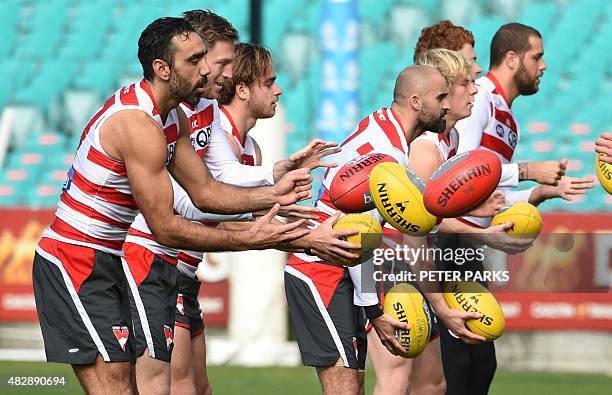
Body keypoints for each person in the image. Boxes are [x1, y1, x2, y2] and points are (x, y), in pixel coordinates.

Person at [32, 17, 315, 394]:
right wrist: (252, 238)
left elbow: (205, 191)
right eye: (194, 60)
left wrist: (274, 195)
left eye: (205, 58)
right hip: (74, 259)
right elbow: (166, 225)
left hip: (106, 259)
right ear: (162, 69)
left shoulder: (172, 116)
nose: (207, 70)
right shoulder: (138, 124)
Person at [285, 65, 490, 395]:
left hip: (338, 267)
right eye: (440, 97)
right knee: (345, 390)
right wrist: (374, 310)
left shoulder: (382, 127)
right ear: (415, 101)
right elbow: (360, 234)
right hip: (320, 268)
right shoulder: (390, 157)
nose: (447, 105)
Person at [432, 22, 592, 395]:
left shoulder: (508, 118)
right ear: (511, 58)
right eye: (537, 57)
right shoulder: (482, 97)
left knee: (479, 363)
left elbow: (488, 194)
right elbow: (461, 167)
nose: (544, 65)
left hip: (469, 243)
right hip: (448, 240)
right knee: (461, 362)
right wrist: (526, 170)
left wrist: (539, 192)